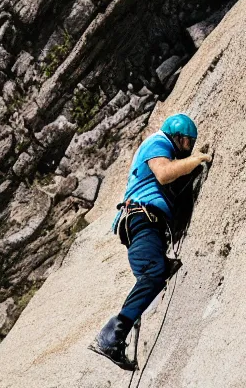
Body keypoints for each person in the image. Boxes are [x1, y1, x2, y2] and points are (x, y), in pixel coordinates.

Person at [89, 113, 212, 370]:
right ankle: (111, 335)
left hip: (146, 224)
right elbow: (165, 174)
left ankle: (119, 331)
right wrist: (195, 159)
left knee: (157, 272)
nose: (185, 149)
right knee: (154, 271)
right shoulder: (158, 142)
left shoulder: (163, 147)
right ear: (178, 136)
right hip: (142, 219)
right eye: (186, 143)